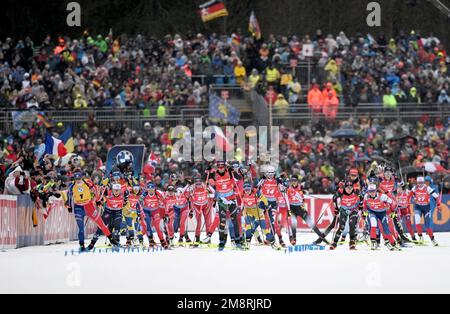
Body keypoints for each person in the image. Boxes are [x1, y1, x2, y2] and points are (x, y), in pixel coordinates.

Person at [67, 172, 118, 251]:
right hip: (78, 208)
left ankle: (112, 241)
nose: (78, 181)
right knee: (81, 228)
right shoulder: (72, 185)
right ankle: (81, 245)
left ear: (82, 178)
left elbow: (96, 189)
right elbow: (69, 196)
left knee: (101, 224)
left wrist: (98, 200)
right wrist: (69, 206)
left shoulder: (87, 182)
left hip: (89, 206)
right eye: (76, 179)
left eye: (79, 179)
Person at [208, 161, 241, 251]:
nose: (221, 168)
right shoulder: (215, 174)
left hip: (231, 199)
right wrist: (209, 172)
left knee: (234, 220)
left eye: (222, 167)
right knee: (222, 222)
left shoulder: (229, 172)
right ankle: (221, 242)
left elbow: (239, 178)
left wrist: (233, 171)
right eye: (219, 167)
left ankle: (238, 241)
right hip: (221, 200)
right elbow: (210, 182)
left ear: (225, 167)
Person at [87, 183, 128, 250]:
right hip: (108, 211)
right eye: (115, 190)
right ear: (112, 190)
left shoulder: (124, 193)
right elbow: (99, 196)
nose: (116, 192)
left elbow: (126, 199)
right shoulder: (108, 193)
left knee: (117, 223)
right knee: (101, 226)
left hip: (118, 211)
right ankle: (92, 243)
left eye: (118, 190)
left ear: (120, 190)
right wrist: (99, 201)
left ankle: (116, 241)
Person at [241, 182, 280, 250]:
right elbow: (239, 199)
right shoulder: (242, 193)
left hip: (257, 210)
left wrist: (267, 205)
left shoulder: (256, 192)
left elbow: (264, 198)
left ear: (251, 188)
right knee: (248, 225)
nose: (247, 191)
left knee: (264, 229)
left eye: (248, 189)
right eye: (245, 190)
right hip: (248, 210)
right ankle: (247, 242)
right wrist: (241, 207)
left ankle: (273, 243)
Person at [363, 184, 400, 251]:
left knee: (386, 228)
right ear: (368, 191)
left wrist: (393, 211)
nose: (372, 193)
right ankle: (373, 242)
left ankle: (393, 243)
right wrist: (365, 211)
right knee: (373, 225)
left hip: (382, 213)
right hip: (372, 212)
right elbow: (364, 203)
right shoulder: (366, 196)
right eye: (370, 191)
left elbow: (393, 202)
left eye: (373, 191)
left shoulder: (382, 196)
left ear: (376, 190)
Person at [330, 179, 363, 250]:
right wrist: (336, 208)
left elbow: (361, 197)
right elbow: (334, 198)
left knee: (352, 225)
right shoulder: (341, 191)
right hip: (344, 210)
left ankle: (352, 243)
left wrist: (360, 206)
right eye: (347, 188)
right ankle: (334, 243)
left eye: (350, 188)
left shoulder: (356, 191)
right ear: (345, 187)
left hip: (353, 210)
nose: (349, 190)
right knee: (341, 227)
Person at [411, 177, 442, 246]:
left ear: (423, 182)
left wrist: (439, 205)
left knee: (427, 225)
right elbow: (409, 195)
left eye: (421, 183)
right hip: (418, 207)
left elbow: (436, 197)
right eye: (418, 183)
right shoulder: (414, 188)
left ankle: (432, 239)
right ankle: (420, 237)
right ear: (417, 183)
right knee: (417, 220)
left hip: (426, 208)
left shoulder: (427, 188)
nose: (420, 185)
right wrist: (413, 198)